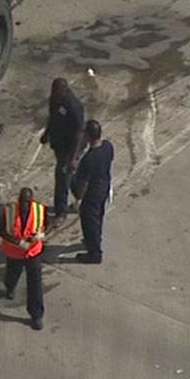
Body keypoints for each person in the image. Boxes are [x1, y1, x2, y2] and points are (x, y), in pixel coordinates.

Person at [0, 186, 46, 330]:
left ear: (32, 201)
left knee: (35, 283)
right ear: (19, 200)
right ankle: (10, 287)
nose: (25, 205)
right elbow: (1, 231)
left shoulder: (39, 209)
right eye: (23, 201)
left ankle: (36, 315)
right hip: (14, 252)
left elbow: (46, 225)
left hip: (33, 252)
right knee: (12, 274)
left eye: (28, 202)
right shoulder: (10, 211)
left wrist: (41, 234)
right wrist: (18, 242)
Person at [39, 78, 85, 215]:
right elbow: (52, 118)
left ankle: (61, 210)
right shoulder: (55, 100)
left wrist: (74, 157)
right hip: (58, 144)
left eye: (57, 91)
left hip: (70, 147)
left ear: (65, 90)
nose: (54, 93)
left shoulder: (73, 105)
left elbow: (79, 132)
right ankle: (82, 195)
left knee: (62, 177)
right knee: (68, 174)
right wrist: (47, 134)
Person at [73, 119, 114, 264]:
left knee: (89, 222)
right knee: (98, 217)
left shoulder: (88, 159)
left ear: (88, 136)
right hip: (104, 187)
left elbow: (83, 184)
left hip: (93, 194)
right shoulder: (108, 147)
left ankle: (94, 253)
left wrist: (79, 198)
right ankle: (96, 239)